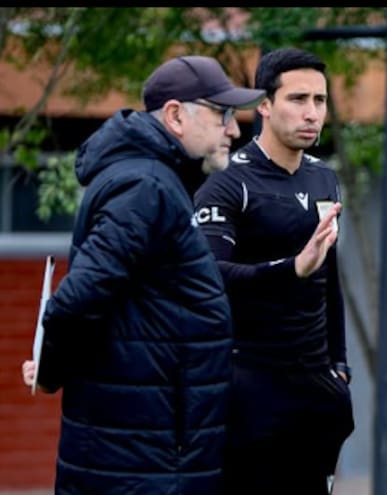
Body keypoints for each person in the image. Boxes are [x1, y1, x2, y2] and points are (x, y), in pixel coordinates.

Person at [20, 55, 265, 495]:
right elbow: (76, 300)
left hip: (147, 455)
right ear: (175, 116)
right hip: (141, 463)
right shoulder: (145, 187)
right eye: (222, 113)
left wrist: (54, 364)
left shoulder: (155, 181)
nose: (233, 129)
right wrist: (51, 368)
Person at [193, 47, 353, 495]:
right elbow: (211, 277)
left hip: (315, 390)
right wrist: (291, 268)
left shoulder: (324, 178)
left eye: (320, 101)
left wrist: (340, 366)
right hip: (251, 387)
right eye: (298, 99)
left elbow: (329, 280)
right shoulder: (227, 181)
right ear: (264, 104)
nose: (312, 113)